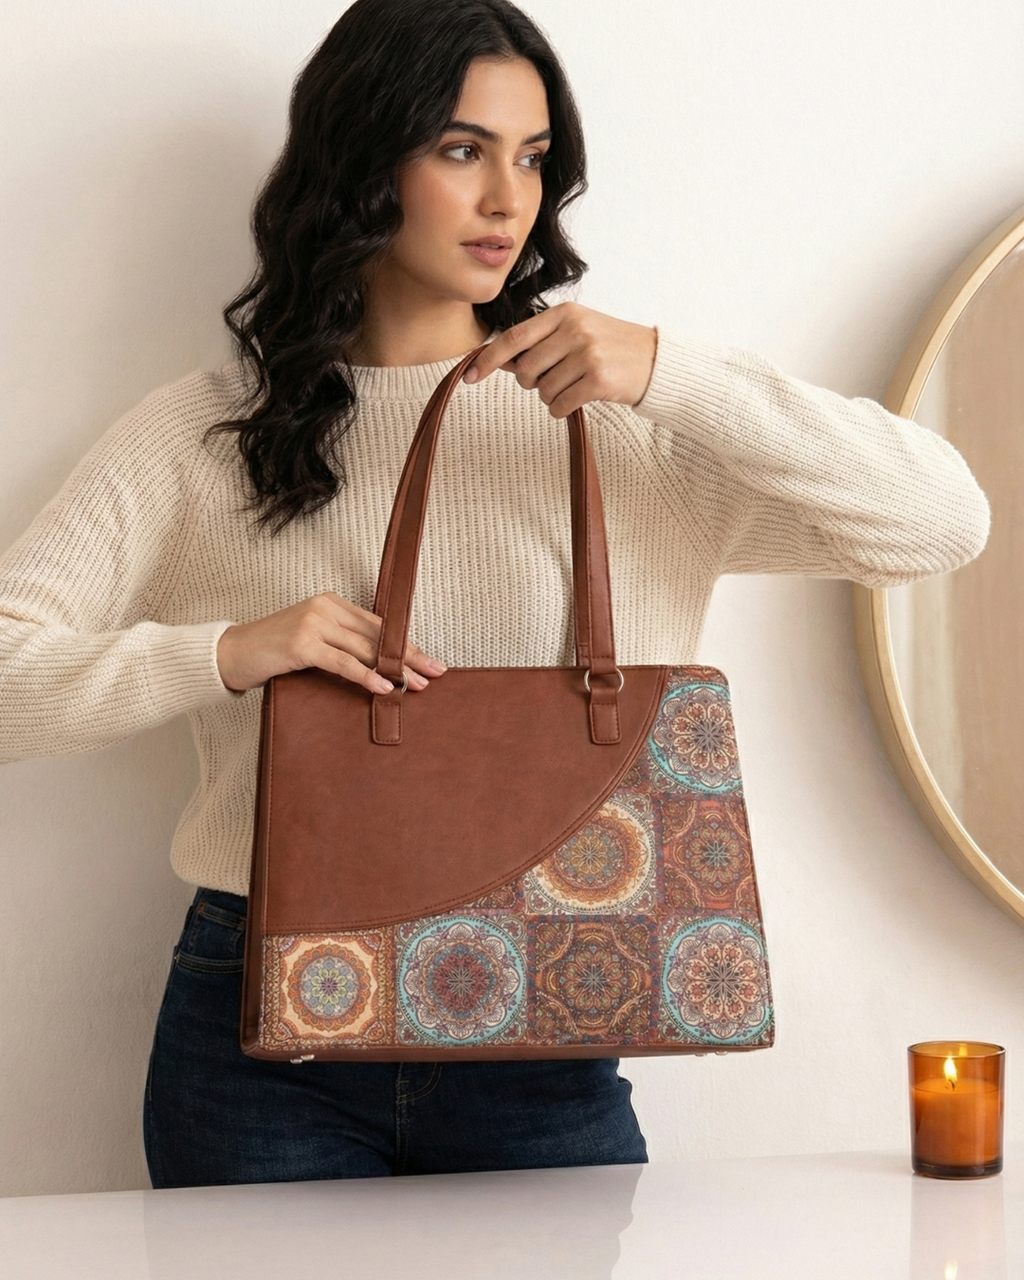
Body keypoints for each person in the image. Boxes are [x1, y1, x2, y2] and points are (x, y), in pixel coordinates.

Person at [0, 0, 989, 1189]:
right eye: (462, 150)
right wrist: (228, 650)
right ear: (366, 155)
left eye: (531, 159)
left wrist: (673, 370)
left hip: (552, 1027)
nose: (507, 199)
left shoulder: (623, 427)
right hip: (264, 1038)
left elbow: (942, 520)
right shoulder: (207, 434)